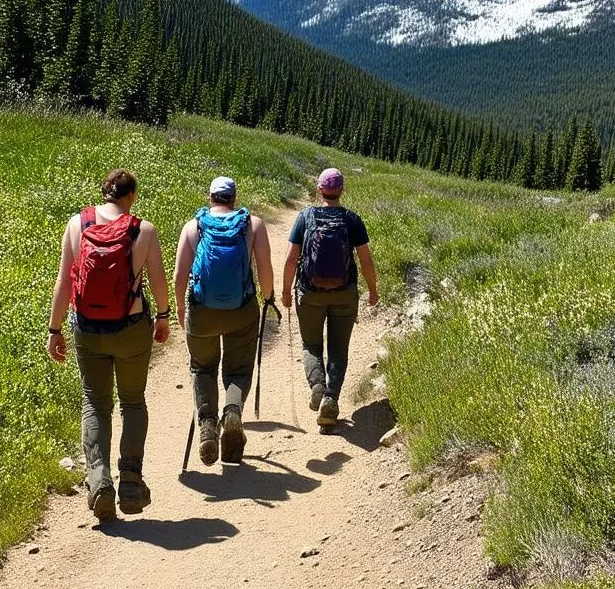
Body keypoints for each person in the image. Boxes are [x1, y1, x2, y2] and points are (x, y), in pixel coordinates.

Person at [47, 169, 171, 522]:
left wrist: (54, 330)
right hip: (131, 327)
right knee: (132, 401)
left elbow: (64, 283)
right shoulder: (142, 230)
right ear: (130, 195)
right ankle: (131, 480)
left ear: (104, 193)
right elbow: (159, 281)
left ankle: (99, 481)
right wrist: (163, 317)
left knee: (95, 403)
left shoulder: (77, 224)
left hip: (88, 329)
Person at [174, 176, 274, 465]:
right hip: (241, 310)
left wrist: (181, 307)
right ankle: (231, 412)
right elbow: (265, 269)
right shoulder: (252, 225)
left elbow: (180, 276)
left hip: (202, 312)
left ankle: (207, 423)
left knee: (203, 367)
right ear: (234, 197)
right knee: (238, 369)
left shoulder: (194, 227)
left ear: (210, 197)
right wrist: (267, 297)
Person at [282, 168, 378, 428]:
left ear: (319, 190)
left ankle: (317, 385)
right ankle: (330, 398)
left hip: (310, 292)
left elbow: (292, 258)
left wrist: (284, 290)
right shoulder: (352, 220)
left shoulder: (305, 217)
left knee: (311, 345)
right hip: (345, 294)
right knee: (338, 349)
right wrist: (372, 289)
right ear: (341, 190)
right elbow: (366, 259)